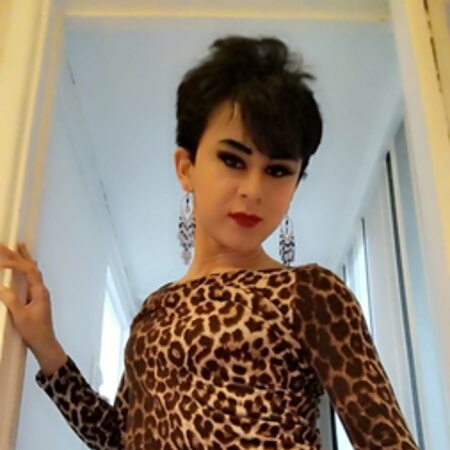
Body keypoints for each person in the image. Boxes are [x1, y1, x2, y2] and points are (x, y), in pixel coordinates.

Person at [0, 36, 419, 450]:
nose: (253, 190)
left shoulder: (310, 293)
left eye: (277, 171)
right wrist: (46, 346)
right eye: (233, 160)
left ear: (294, 186)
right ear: (186, 167)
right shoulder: (152, 313)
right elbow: (119, 438)